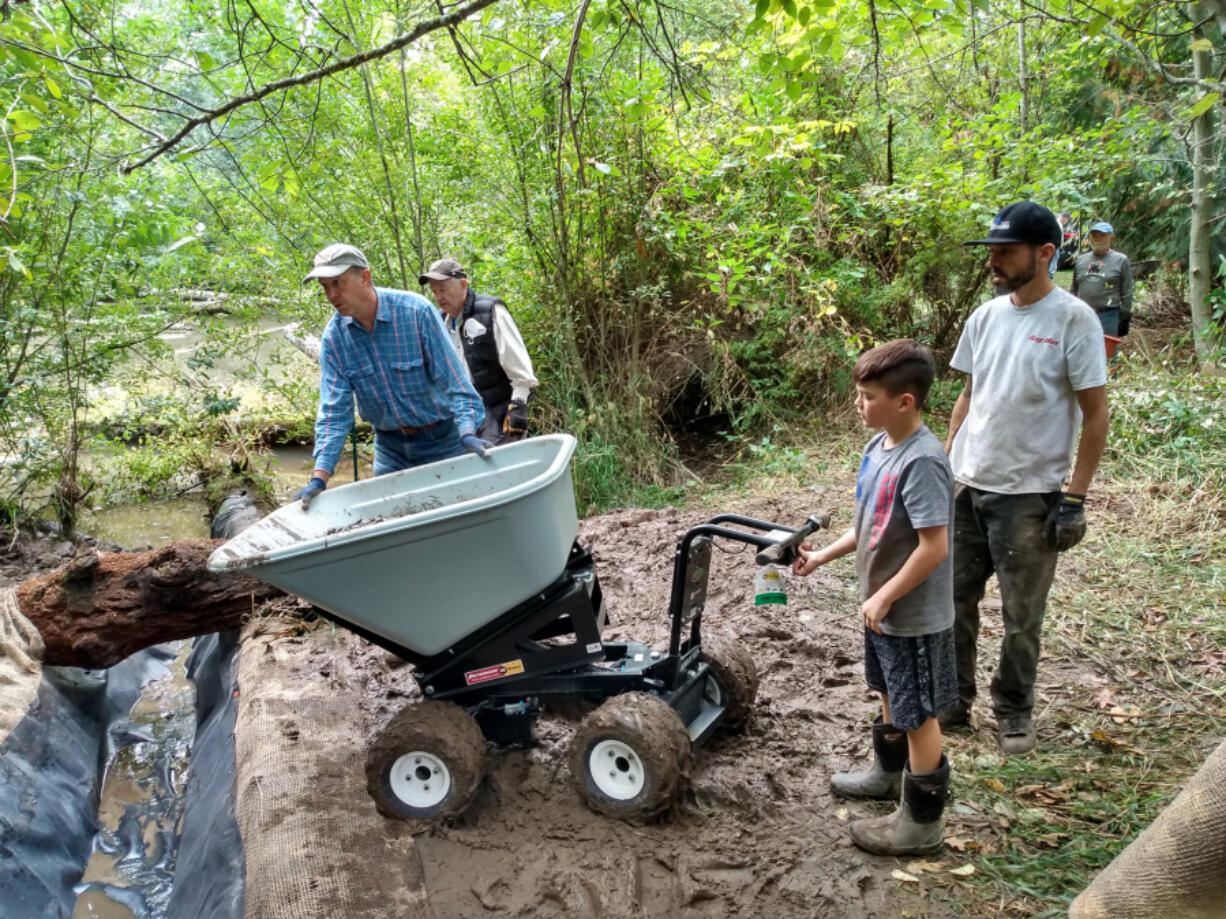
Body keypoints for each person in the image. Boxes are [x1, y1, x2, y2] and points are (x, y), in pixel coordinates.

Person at [942, 202, 1109, 754]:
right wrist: (945, 465)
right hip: (969, 485)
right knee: (954, 600)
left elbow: (1095, 413)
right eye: (990, 251)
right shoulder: (985, 318)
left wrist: (1075, 498)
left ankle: (1014, 711)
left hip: (1030, 495)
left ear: (1044, 253)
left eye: (1005, 251)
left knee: (1021, 615)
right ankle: (953, 699)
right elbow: (969, 394)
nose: (994, 261)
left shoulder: (1073, 320)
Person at [793, 339, 956, 856]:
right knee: (887, 691)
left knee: (918, 714)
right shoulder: (878, 447)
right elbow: (869, 524)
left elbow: (935, 547)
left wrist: (885, 595)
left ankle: (921, 824)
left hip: (911, 614)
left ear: (905, 401)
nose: (857, 405)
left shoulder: (924, 461)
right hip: (881, 608)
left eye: (867, 396)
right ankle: (887, 776)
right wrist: (822, 557)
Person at [293, 244, 490, 508]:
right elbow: (334, 413)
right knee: (392, 523)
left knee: (458, 515)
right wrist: (320, 477)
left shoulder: (415, 313)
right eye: (325, 287)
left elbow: (457, 385)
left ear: (365, 277)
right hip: (390, 448)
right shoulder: (335, 339)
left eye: (337, 283)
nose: (331, 294)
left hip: (443, 440)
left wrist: (467, 431)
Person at [419, 258, 538, 446]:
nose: (438, 297)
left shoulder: (491, 311)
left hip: (497, 409)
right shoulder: (440, 322)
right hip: (461, 412)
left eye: (442, 289)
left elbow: (517, 361)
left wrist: (518, 405)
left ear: (463, 284)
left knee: (498, 465)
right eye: (434, 291)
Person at [1070, 221, 1134, 336]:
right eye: (1094, 236)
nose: (1097, 239)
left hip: (1108, 315)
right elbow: (1074, 288)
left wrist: (1125, 316)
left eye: (1102, 236)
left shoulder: (1121, 260)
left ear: (1112, 238)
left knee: (1107, 351)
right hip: (1083, 314)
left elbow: (1127, 290)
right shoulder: (1081, 260)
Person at [1048, 211, 1073, 279]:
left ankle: (1050, 275)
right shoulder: (1057, 223)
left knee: (1053, 261)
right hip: (1055, 246)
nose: (1067, 221)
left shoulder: (1059, 224)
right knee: (1053, 262)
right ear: (1064, 218)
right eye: (1067, 219)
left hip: (1056, 246)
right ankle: (1050, 276)